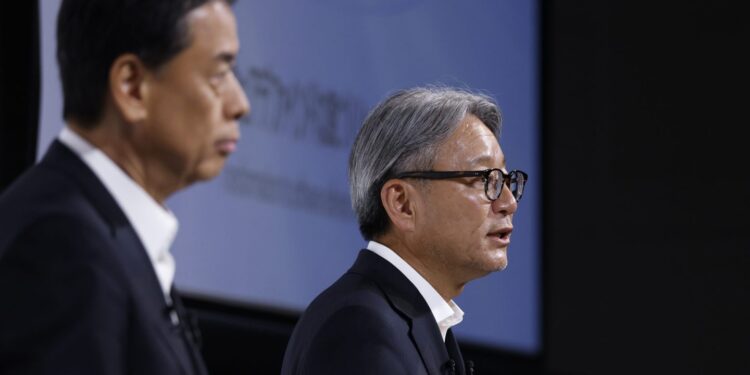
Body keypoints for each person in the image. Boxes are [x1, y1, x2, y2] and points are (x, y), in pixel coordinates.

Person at [0, 0, 249, 373]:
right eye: (219, 74)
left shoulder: (94, 233)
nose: (240, 103)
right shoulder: (64, 247)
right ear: (132, 87)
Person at [281, 87, 527, 375]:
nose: (509, 202)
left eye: (507, 180)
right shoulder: (361, 328)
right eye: (486, 178)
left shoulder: (408, 324)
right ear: (402, 203)